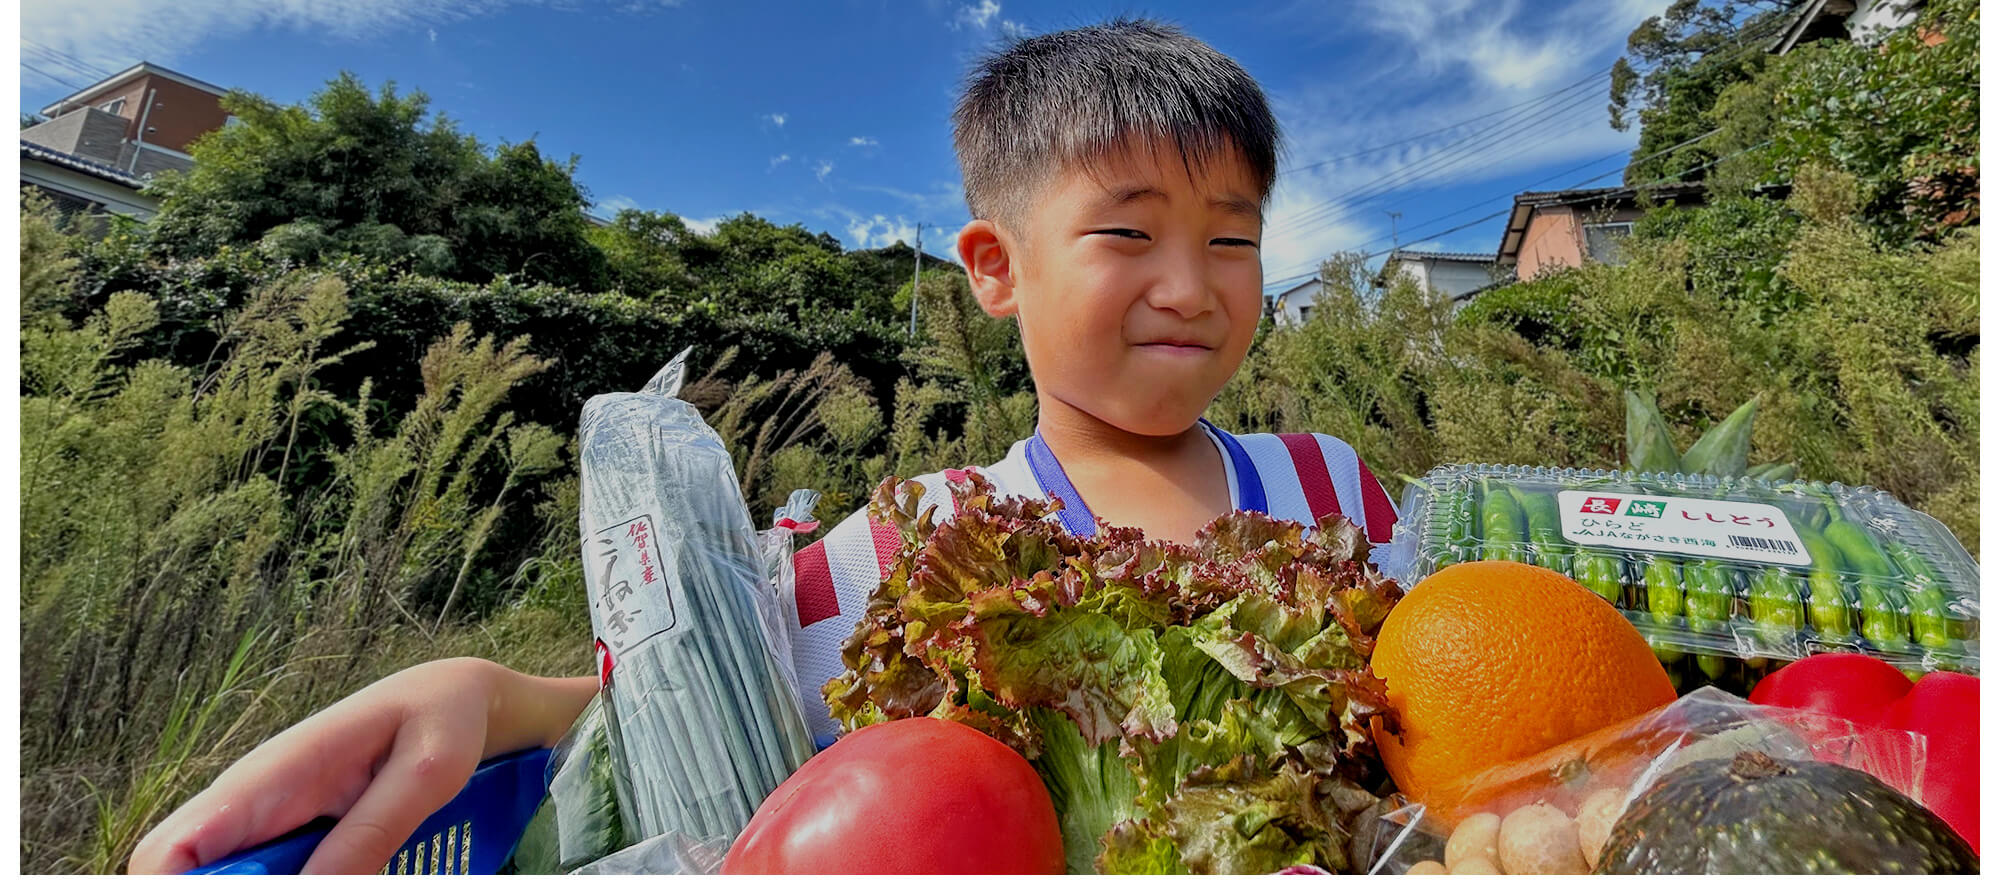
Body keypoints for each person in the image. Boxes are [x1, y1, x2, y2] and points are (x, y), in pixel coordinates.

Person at [129, 17, 1398, 874]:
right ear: (995, 267)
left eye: (1231, 240)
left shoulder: (1331, 486)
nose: (1191, 285)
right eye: (1127, 236)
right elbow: (726, 704)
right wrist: (489, 695)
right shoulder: (923, 539)